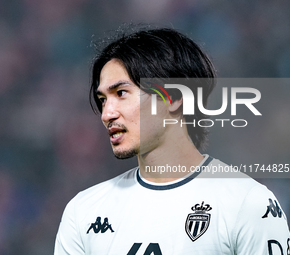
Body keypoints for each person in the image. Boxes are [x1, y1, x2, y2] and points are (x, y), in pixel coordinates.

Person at [54, 26, 290, 254]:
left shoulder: (249, 203)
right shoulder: (83, 211)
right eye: (103, 99)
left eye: (121, 93)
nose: (107, 114)